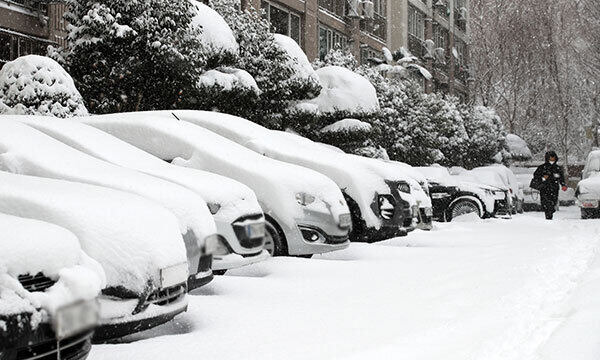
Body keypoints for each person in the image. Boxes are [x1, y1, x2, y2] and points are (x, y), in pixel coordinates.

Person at [533, 151, 568, 220]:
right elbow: (536, 176)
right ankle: (548, 215)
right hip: (544, 189)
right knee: (546, 203)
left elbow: (561, 178)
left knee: (553, 203)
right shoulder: (542, 168)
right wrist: (543, 178)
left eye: (553, 159)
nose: (552, 161)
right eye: (550, 159)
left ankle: (550, 212)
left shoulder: (557, 168)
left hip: (554, 189)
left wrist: (563, 185)